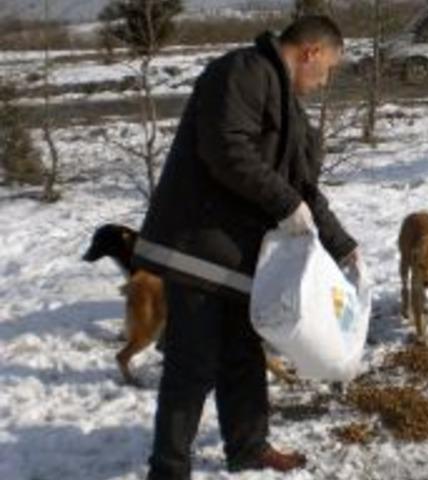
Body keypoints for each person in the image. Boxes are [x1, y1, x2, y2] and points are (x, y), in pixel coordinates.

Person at [132, 16, 358, 479]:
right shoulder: (243, 71)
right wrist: (284, 201)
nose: (325, 80)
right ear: (311, 51)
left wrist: (344, 246)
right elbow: (226, 148)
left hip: (238, 257)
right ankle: (168, 468)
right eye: (328, 68)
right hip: (197, 246)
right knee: (192, 366)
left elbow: (304, 190)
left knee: (243, 356)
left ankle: (249, 447)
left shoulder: (288, 103)